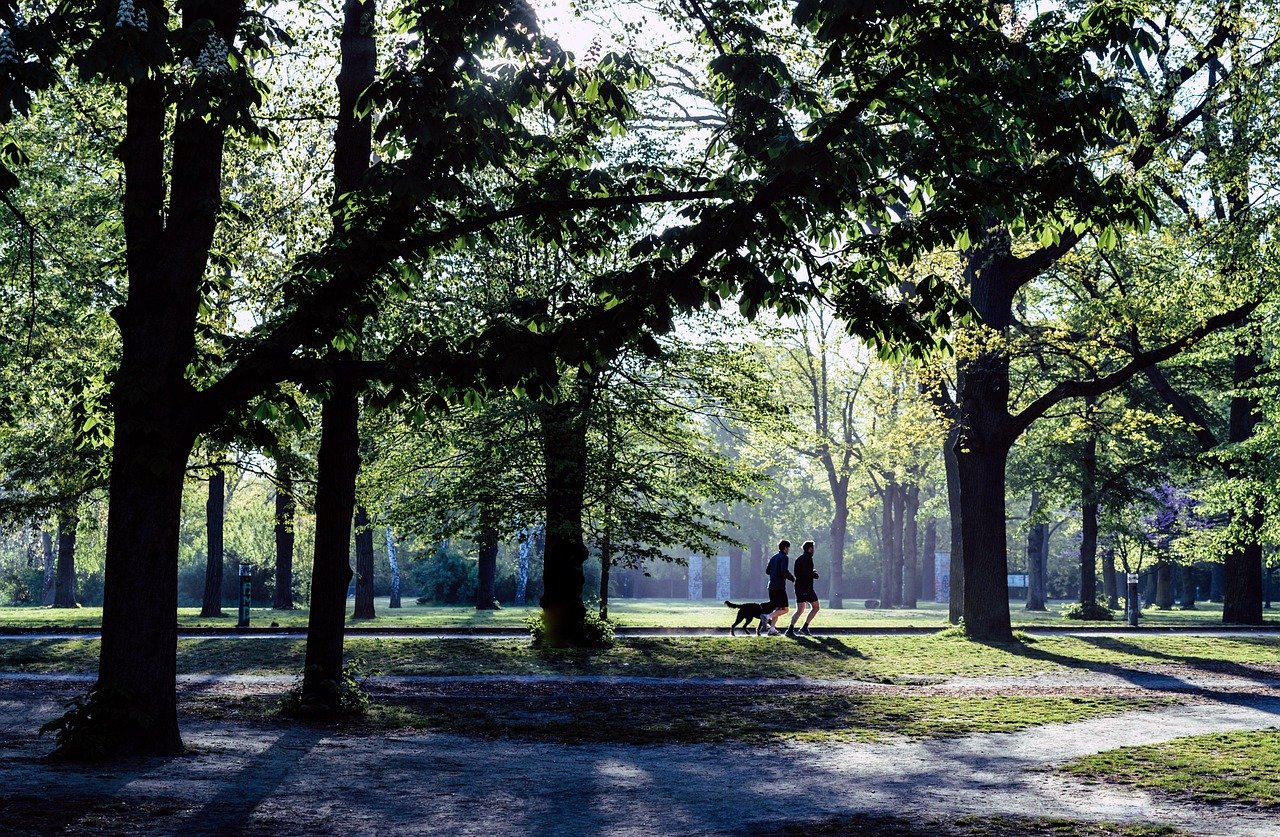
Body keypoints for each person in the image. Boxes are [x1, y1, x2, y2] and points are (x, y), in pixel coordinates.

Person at [785, 541, 820, 637]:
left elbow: (799, 572)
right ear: (809, 549)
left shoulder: (799, 559)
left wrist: (811, 572)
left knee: (800, 609)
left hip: (798, 587)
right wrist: (815, 574)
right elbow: (807, 573)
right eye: (813, 548)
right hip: (807, 588)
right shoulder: (808, 559)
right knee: (816, 607)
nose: (814, 550)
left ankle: (790, 629)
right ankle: (805, 627)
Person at [763, 540, 794, 636]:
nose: (789, 550)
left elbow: (767, 571)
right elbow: (784, 570)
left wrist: (774, 573)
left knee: (778, 608)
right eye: (788, 548)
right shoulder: (784, 557)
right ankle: (766, 616)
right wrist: (793, 578)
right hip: (779, 587)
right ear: (785, 548)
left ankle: (772, 629)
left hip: (771, 586)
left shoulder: (773, 557)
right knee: (785, 609)